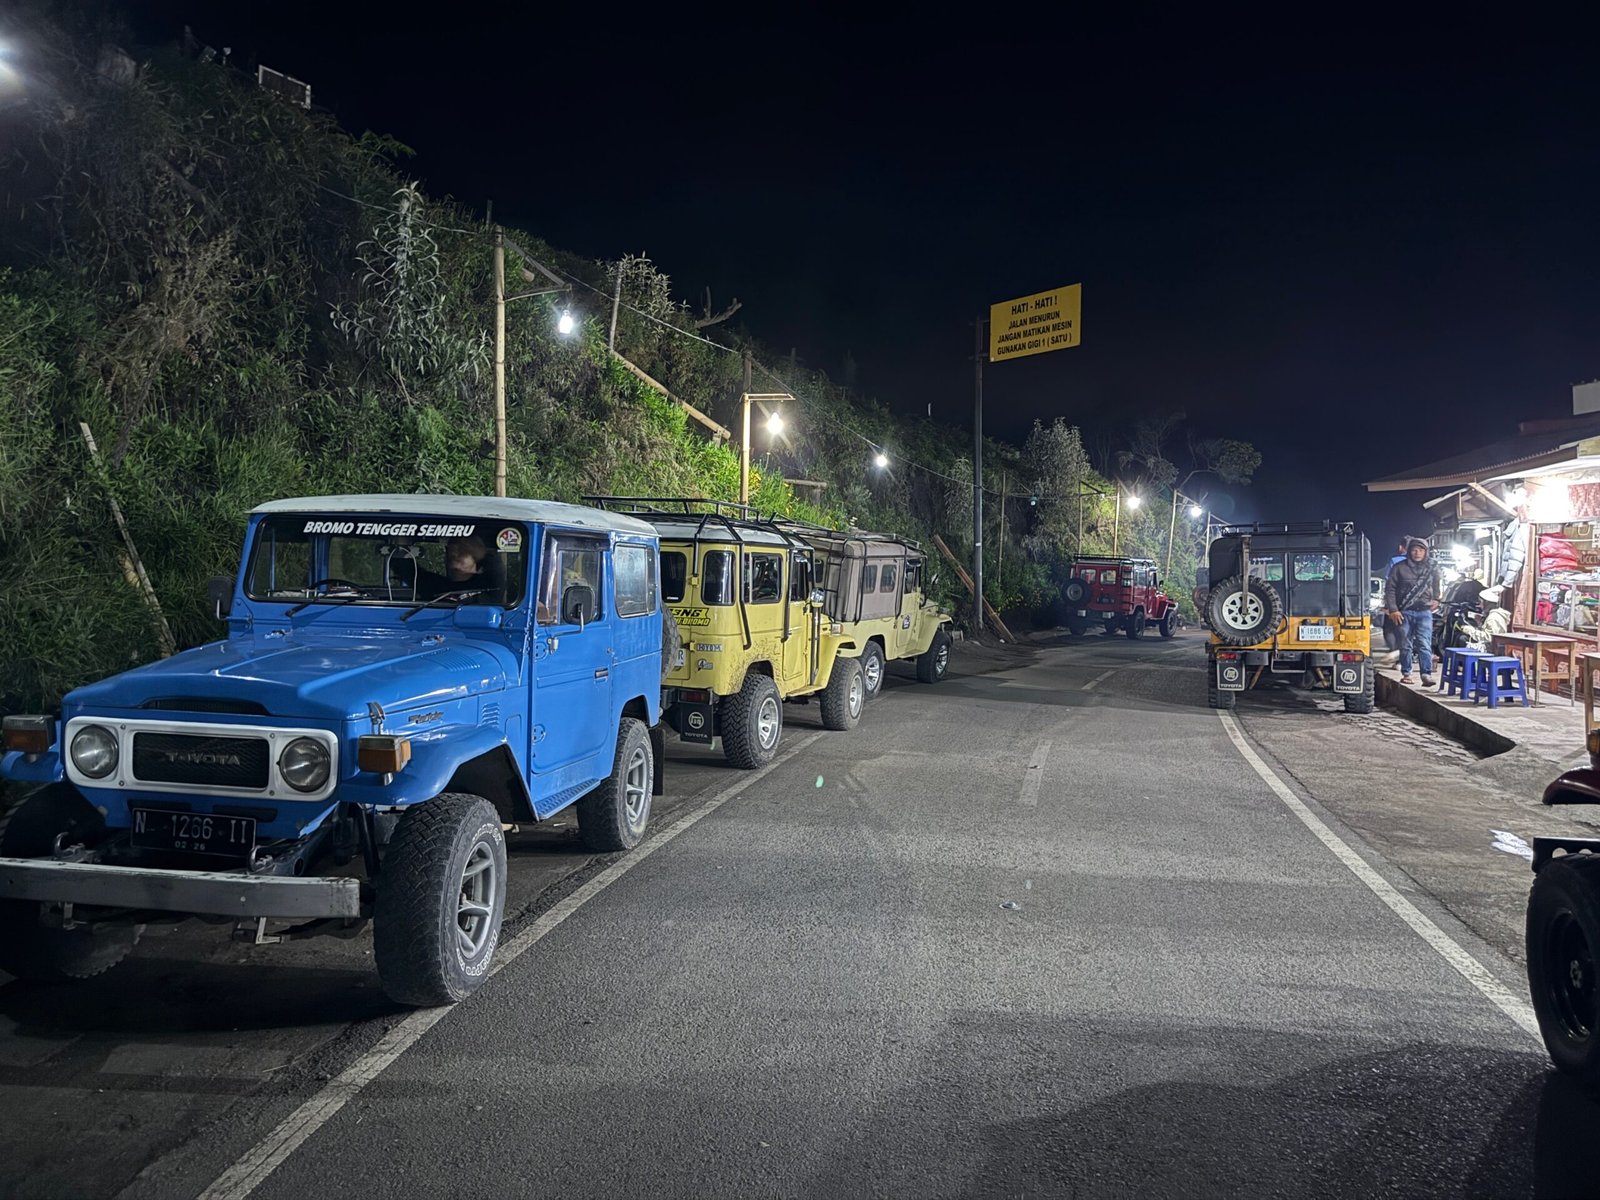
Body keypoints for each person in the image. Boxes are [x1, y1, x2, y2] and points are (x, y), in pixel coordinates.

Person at [1385, 536, 1441, 685]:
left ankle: (1426, 675)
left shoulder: (1432, 568)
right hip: (1404, 612)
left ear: (1425, 552)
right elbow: (1390, 589)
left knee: (1424, 643)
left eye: (1421, 550)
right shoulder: (1399, 568)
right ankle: (1406, 673)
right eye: (1414, 549)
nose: (1417, 553)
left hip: (1424, 612)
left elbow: (1437, 584)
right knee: (1405, 644)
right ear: (1409, 551)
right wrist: (1393, 609)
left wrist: (1437, 599)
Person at [1462, 585, 1511, 652]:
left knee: (1462, 639)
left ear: (1487, 603)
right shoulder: (1491, 615)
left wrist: (1471, 631)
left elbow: (1489, 638)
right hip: (1488, 646)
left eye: (1480, 602)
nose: (1479, 605)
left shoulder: (1493, 617)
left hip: (1489, 650)